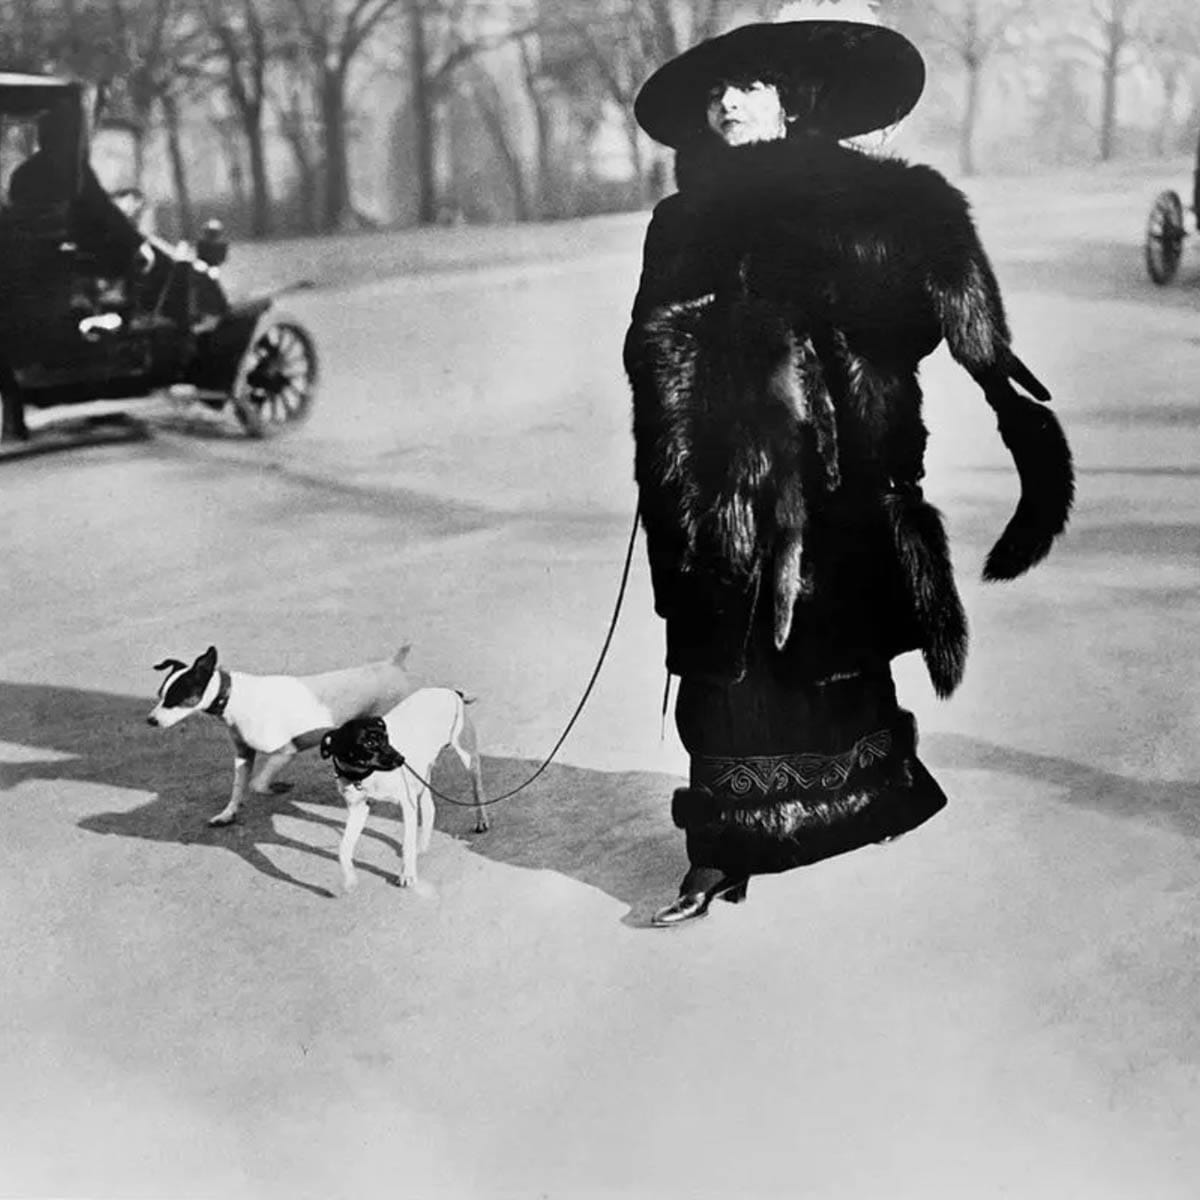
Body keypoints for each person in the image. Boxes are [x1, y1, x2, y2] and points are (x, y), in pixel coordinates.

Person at [623, 12, 1076, 927]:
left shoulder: (877, 200)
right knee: (730, 663)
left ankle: (863, 801)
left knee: (838, 644)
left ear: (792, 100)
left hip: (844, 477)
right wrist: (714, 364)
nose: (727, 103)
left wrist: (1003, 400)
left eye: (749, 85)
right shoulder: (681, 220)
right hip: (719, 484)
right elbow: (648, 343)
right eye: (715, 92)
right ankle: (722, 850)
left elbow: (930, 308)